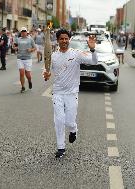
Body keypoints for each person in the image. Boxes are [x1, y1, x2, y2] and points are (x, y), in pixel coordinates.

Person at [43, 29, 98, 158]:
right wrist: (46, 75)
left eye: (66, 38)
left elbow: (94, 62)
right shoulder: (53, 56)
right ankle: (61, 147)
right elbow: (46, 72)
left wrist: (93, 50)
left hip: (72, 93)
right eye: (61, 39)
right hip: (57, 92)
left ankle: (73, 130)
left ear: (69, 40)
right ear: (57, 41)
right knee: (59, 120)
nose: (64, 41)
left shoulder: (77, 54)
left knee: (69, 121)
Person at [13, 27, 36, 93]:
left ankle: (29, 81)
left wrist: (30, 50)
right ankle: (23, 87)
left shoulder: (30, 39)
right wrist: (15, 48)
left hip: (28, 59)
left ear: (26, 32)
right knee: (21, 73)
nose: (23, 32)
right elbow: (14, 46)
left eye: (24, 31)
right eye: (22, 31)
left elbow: (34, 48)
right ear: (21, 33)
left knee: (28, 74)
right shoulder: (18, 39)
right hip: (20, 58)